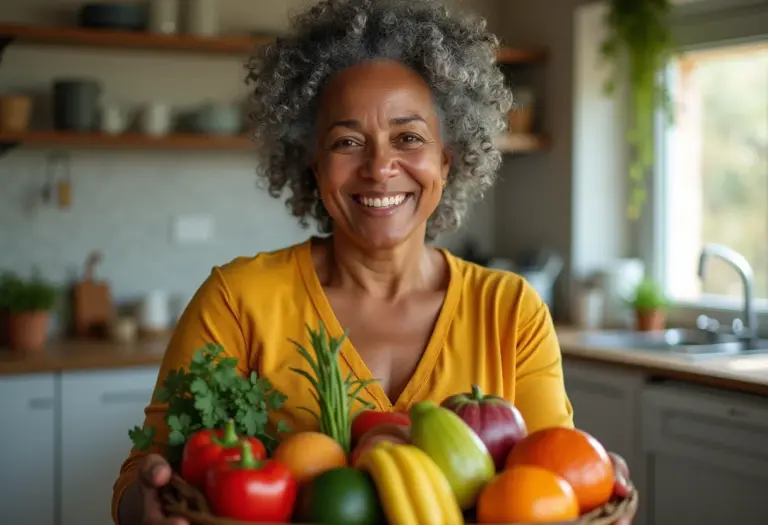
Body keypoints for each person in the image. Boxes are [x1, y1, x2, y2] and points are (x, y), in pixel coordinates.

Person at [113, 1, 633, 524]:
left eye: (408, 138)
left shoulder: (511, 311)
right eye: (347, 142)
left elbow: (550, 482)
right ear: (315, 166)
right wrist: (149, 503)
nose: (380, 167)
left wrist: (589, 483)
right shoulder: (237, 299)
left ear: (446, 161)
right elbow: (141, 478)